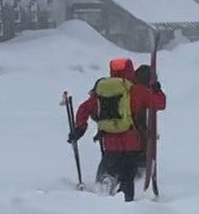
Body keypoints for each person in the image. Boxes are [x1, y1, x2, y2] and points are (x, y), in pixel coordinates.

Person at [68, 57, 165, 201]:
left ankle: (104, 186)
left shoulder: (102, 91)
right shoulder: (136, 90)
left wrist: (80, 128)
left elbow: (84, 108)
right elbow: (159, 104)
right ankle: (124, 201)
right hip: (132, 145)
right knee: (127, 176)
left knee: (108, 168)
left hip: (109, 144)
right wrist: (157, 90)